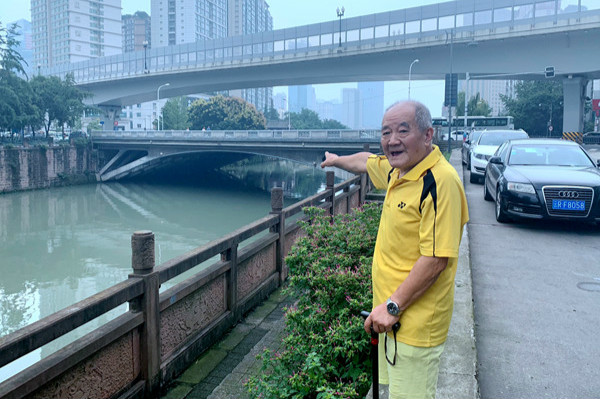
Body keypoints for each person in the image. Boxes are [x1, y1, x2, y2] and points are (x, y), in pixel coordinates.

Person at [321, 100, 469, 399]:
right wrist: (337, 159)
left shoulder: (439, 181)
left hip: (413, 325)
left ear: (429, 135)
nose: (392, 140)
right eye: (386, 132)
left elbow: (436, 259)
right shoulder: (398, 171)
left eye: (403, 130)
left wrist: (392, 307)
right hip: (390, 319)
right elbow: (365, 161)